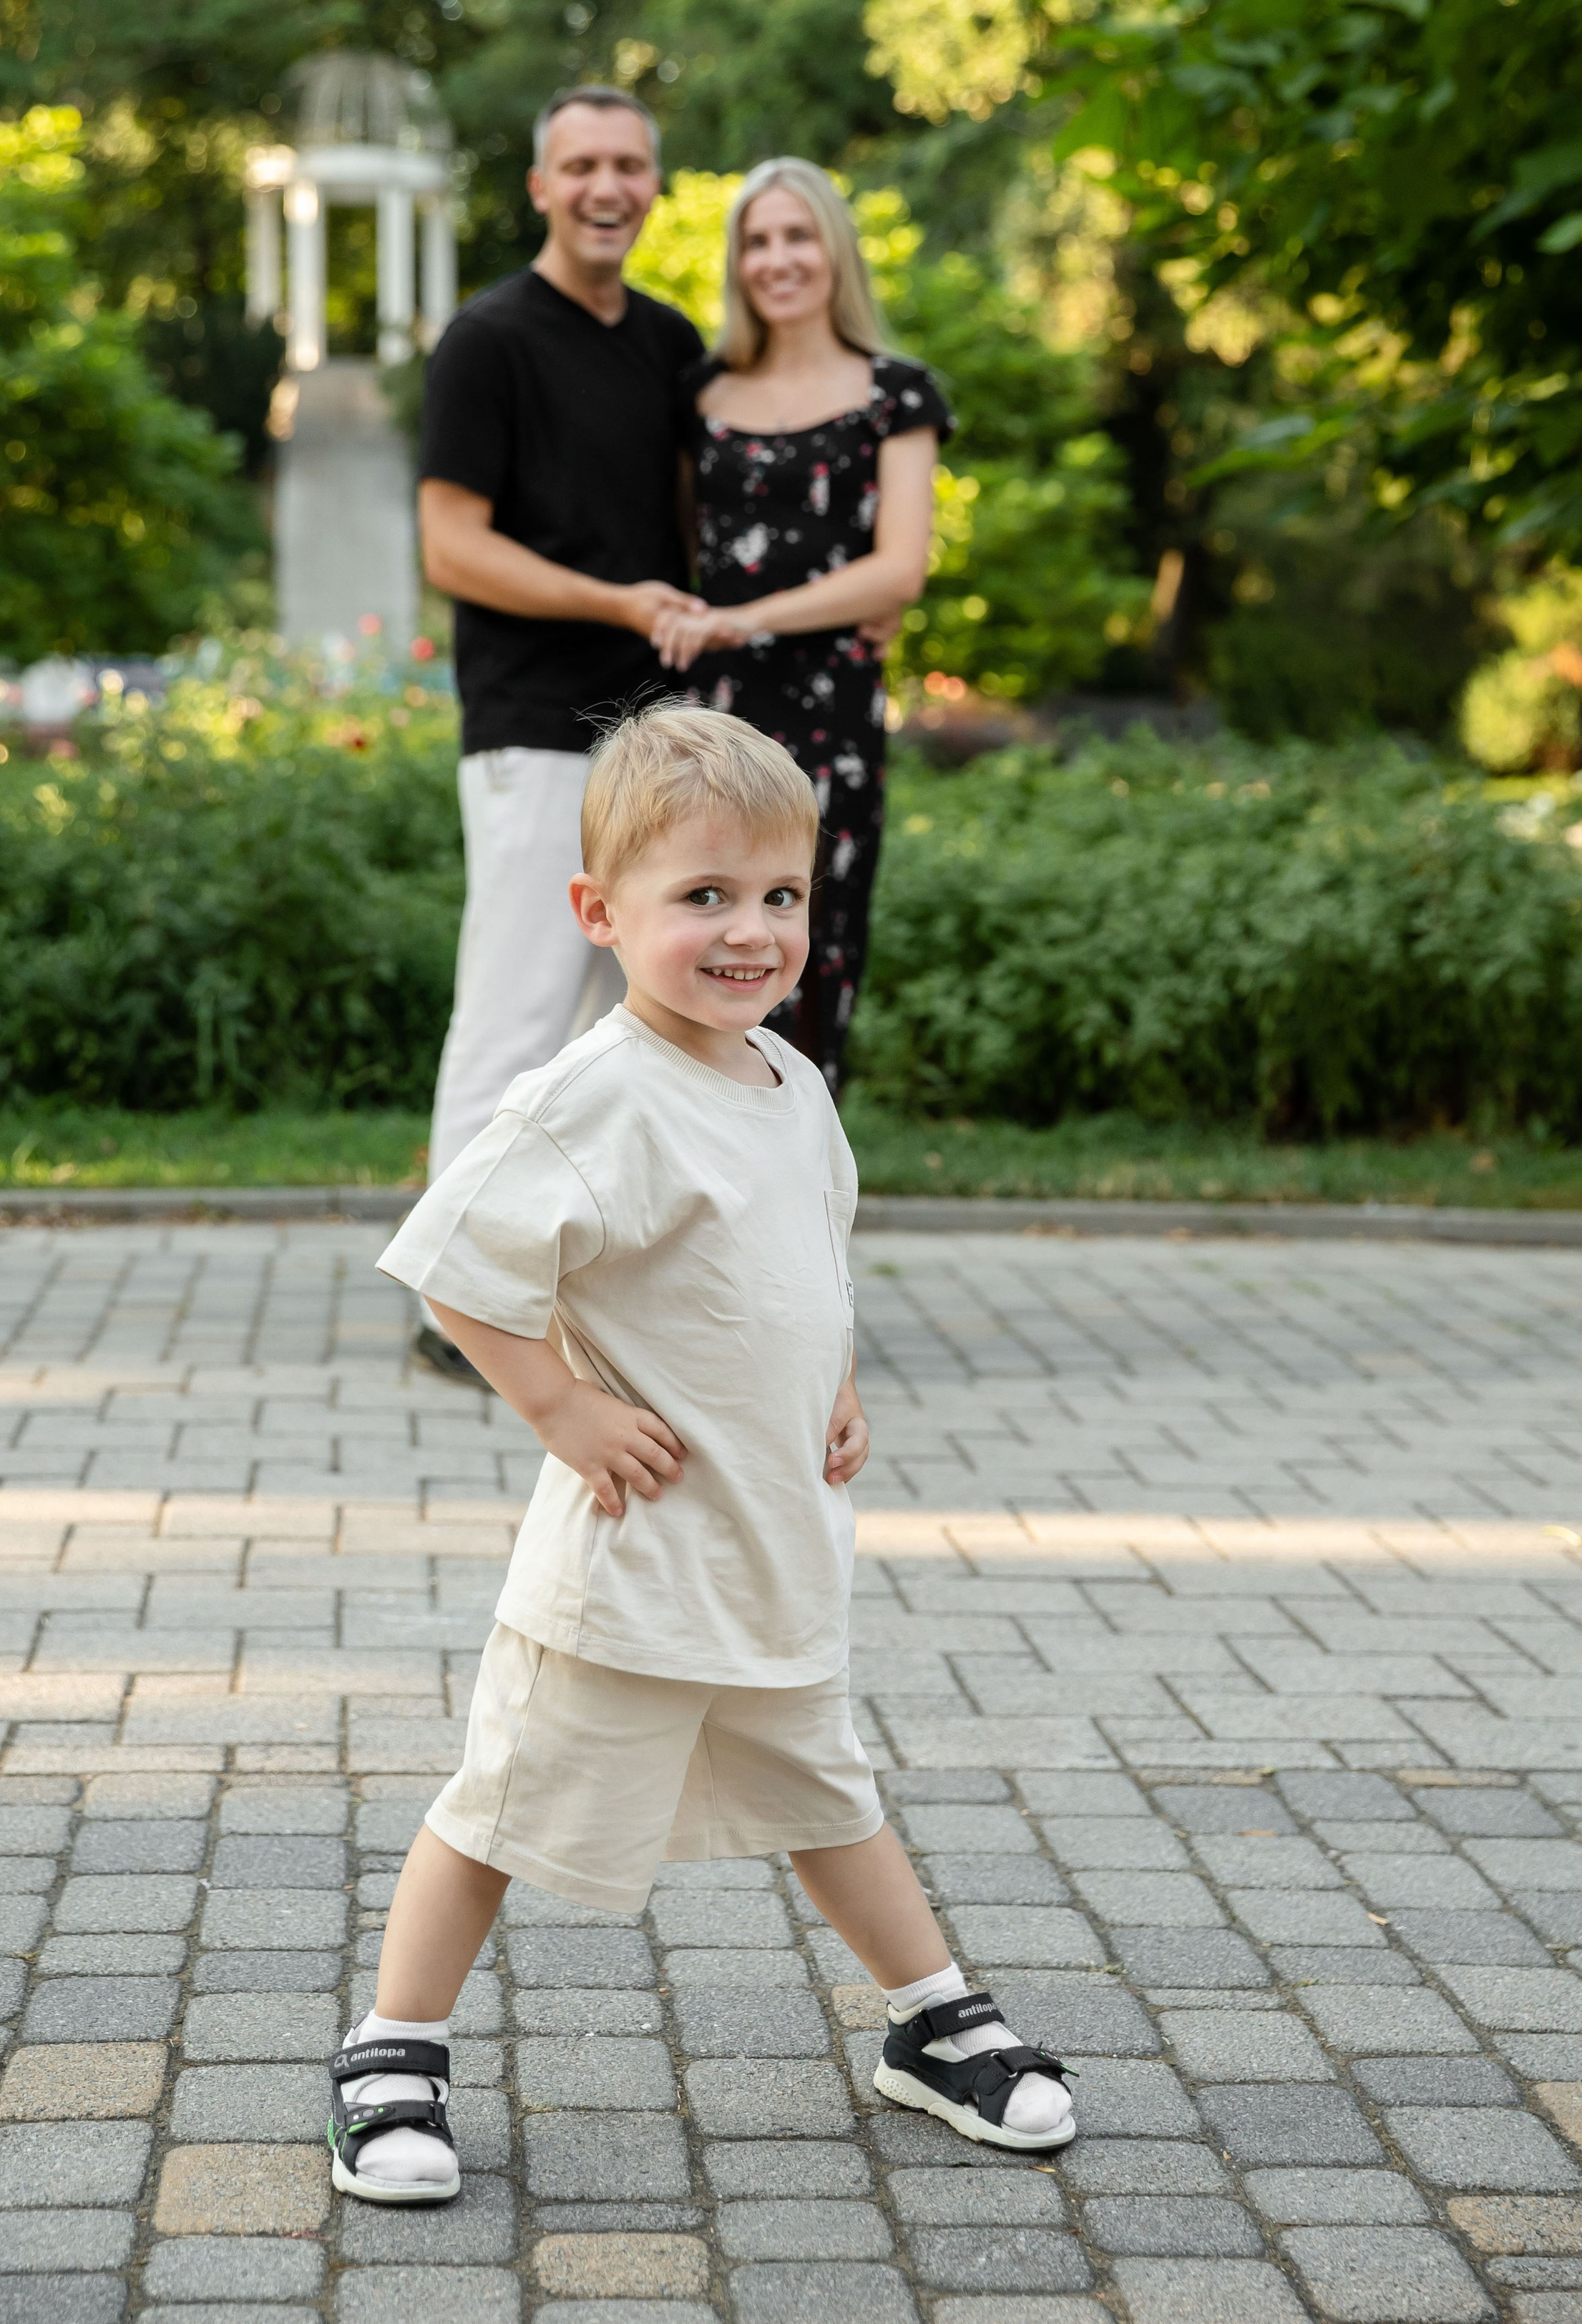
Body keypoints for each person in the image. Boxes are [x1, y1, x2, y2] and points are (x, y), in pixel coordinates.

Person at [326, 705, 1076, 2206]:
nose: (749, 932)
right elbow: (461, 1271)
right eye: (702, 898)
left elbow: (807, 1254)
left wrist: (841, 1379)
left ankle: (929, 2021)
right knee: (502, 1803)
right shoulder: (589, 1097)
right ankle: (390, 2050)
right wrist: (562, 1411)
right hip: (635, 1561)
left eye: (779, 896)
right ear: (600, 916)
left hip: (769, 1542)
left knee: (825, 1787)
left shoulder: (786, 1084)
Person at [414, 85, 706, 1377]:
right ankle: (450, 1311)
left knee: (626, 1026)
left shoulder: (673, 342)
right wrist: (614, 602)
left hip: (662, 735)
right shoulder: (486, 341)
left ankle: (580, 1301)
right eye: (580, 164)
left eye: (629, 164)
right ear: (538, 186)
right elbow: (450, 547)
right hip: (535, 728)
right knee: (516, 1016)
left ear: (654, 186)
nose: (606, 186)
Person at [652, 157, 949, 1091]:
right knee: (702, 955)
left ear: (835, 250)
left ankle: (804, 1210)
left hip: (833, 723)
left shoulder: (894, 395)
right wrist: (721, 627)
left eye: (798, 235)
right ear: (738, 262)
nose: (779, 259)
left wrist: (749, 621)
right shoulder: (699, 397)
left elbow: (900, 567)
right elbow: (677, 553)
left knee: (812, 956)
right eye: (758, 241)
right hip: (712, 724)